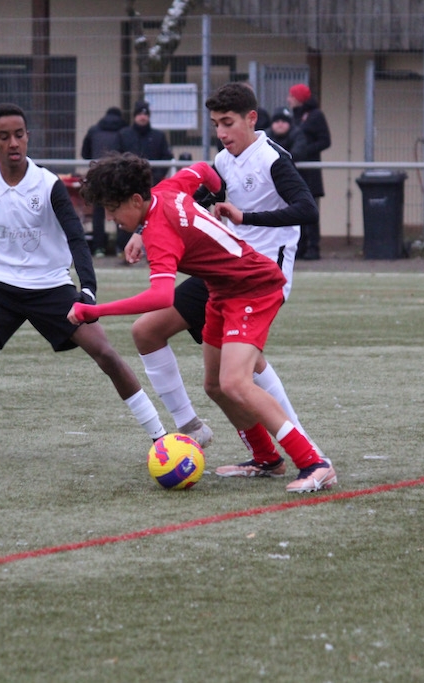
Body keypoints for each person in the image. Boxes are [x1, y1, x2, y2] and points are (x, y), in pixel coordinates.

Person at [70, 153, 336, 494]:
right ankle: (267, 459)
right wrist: (216, 200)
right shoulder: (166, 190)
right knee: (215, 385)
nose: (109, 217)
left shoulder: (160, 230)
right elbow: (203, 172)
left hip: (253, 288)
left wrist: (95, 311)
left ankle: (315, 463)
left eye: (112, 208)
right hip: (221, 291)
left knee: (235, 382)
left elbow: (161, 297)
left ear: (136, 200)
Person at [0, 103, 167, 458]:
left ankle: (160, 436)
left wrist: (87, 289)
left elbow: (76, 237)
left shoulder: (48, 185)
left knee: (106, 353)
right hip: (1, 286)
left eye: (19, 135)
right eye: (4, 137)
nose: (13, 143)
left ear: (27, 136)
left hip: (52, 287)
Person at [126, 82, 320, 473]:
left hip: (260, 275)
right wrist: (143, 230)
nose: (222, 132)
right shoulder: (224, 159)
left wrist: (247, 217)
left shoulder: (272, 158)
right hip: (223, 270)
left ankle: (308, 451)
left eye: (228, 123)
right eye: (216, 124)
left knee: (242, 373)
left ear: (252, 119)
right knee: (151, 332)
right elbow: (192, 200)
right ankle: (212, 435)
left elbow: (307, 209)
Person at [114, 99, 172, 258]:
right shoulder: (124, 135)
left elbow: (166, 158)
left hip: (152, 185)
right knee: (126, 214)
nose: (142, 117)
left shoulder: (158, 136)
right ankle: (124, 248)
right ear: (134, 116)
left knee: (153, 215)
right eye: (139, 114)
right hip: (128, 185)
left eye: (145, 114)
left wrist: (156, 177)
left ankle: (153, 248)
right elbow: (117, 157)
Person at [286, 83, 330, 260]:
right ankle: (300, 246)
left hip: (310, 170)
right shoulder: (292, 117)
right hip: (296, 169)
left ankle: (313, 247)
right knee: (296, 207)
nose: (288, 100)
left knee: (310, 207)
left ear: (299, 98)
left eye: (291, 96)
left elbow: (325, 141)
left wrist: (305, 151)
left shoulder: (316, 116)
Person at [80, 106, 127, 256]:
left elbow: (85, 153)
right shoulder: (124, 131)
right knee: (119, 209)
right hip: (117, 175)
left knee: (98, 212)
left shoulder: (94, 130)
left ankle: (98, 247)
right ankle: (121, 247)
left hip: (98, 174)